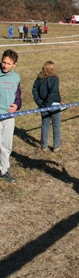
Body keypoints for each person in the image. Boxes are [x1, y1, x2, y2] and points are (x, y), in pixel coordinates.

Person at [0, 49, 22, 182]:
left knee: (6, 145)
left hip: (8, 117)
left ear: (15, 64)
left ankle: (4, 170)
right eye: (3, 62)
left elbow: (18, 96)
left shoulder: (16, 77)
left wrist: (16, 105)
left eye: (8, 63)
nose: (5, 65)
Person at [32, 61, 62, 152]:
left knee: (45, 125)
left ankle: (44, 145)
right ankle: (56, 146)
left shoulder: (38, 79)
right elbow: (53, 93)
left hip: (43, 106)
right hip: (53, 106)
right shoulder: (54, 79)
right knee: (56, 125)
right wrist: (45, 104)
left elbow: (34, 91)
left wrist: (40, 103)